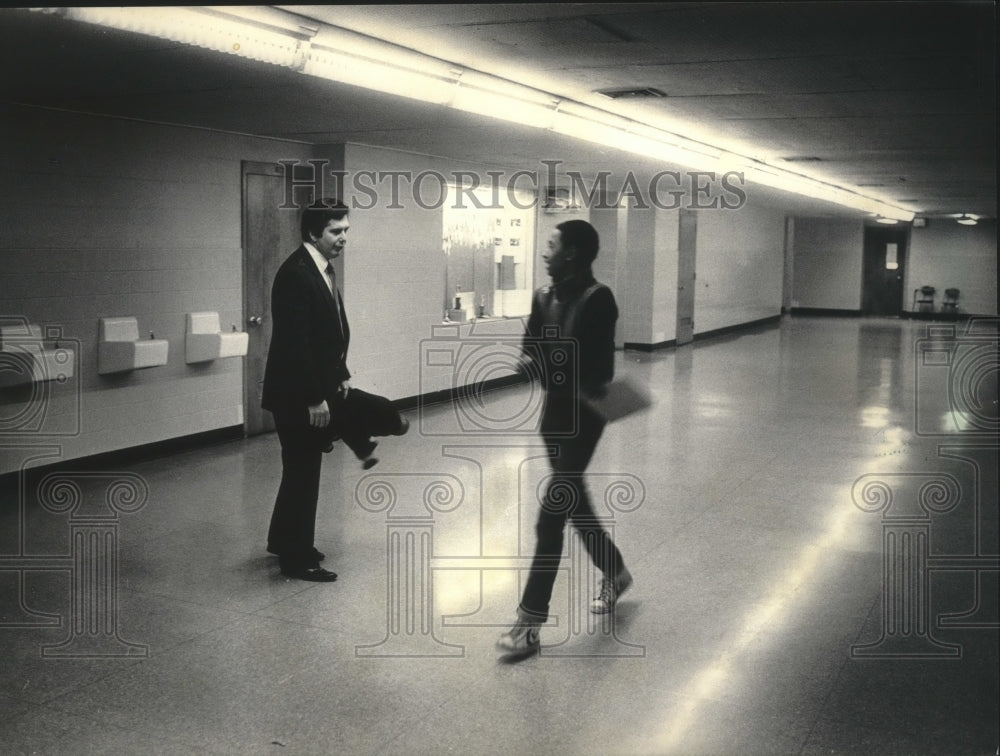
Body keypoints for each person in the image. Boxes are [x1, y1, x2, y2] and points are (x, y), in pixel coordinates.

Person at [497, 219, 632, 658]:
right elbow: (531, 347)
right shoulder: (542, 296)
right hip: (553, 416)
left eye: (551, 244)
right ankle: (616, 572)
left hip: (585, 416)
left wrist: (548, 363)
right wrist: (530, 362)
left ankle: (529, 624)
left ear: (571, 252)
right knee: (575, 503)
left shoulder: (599, 299)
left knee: (550, 516)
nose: (544, 252)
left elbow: (599, 372)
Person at [261, 199, 406, 581]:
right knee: (303, 474)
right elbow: (295, 343)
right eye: (335, 231)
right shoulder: (297, 274)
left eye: (346, 231)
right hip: (298, 395)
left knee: (299, 470)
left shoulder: (320, 268)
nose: (343, 238)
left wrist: (339, 372)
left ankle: (283, 541)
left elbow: (327, 334)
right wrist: (313, 398)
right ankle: (297, 559)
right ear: (313, 233)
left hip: (317, 386)